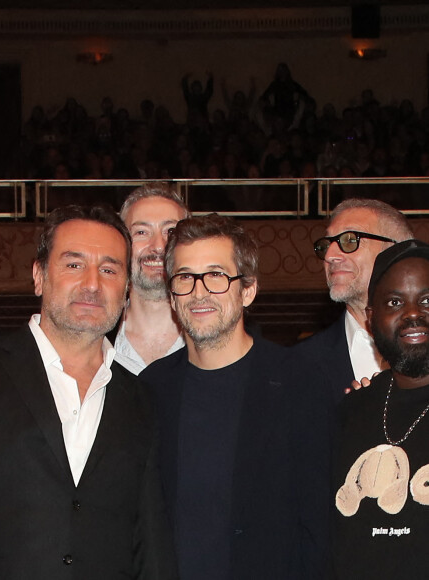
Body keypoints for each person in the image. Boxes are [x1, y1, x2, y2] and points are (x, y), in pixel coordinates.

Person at [0, 205, 178, 579]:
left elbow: (150, 539)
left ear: (127, 290)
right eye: (74, 264)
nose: (93, 284)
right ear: (39, 276)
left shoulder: (140, 399)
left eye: (109, 270)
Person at [140, 214, 331, 579]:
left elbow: (320, 525)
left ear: (248, 290)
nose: (199, 292)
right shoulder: (151, 388)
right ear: (171, 295)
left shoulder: (299, 383)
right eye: (184, 278)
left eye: (215, 275)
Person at [333, 239, 429, 579]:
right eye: (394, 302)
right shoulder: (349, 411)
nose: (414, 313)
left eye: (427, 300)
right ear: (372, 320)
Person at [294, 198, 413, 404]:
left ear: (396, 252)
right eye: (326, 245)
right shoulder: (298, 364)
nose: (330, 255)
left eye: (350, 240)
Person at [113, 183, 188, 374]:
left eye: (170, 232)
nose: (158, 246)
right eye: (141, 232)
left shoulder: (212, 339)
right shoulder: (95, 338)